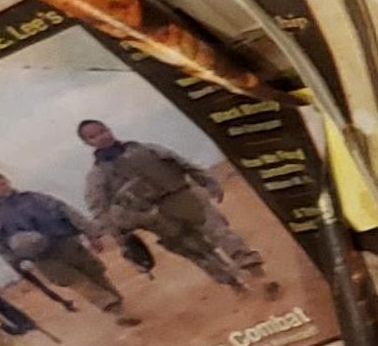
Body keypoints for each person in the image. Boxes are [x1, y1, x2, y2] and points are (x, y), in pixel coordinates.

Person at [76, 120, 271, 294]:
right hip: (156, 218)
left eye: (102, 131)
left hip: (183, 197)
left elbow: (181, 163)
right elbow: (98, 207)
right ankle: (235, 284)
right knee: (198, 252)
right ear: (87, 143)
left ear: (109, 129)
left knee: (220, 232)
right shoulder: (98, 175)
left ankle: (256, 271)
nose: (101, 137)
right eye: (93, 136)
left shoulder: (146, 149)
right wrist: (119, 235)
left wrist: (208, 182)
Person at [0, 172, 125, 319]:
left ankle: (117, 302)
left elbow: (67, 212)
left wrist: (91, 234)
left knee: (94, 272)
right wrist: (17, 265)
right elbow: (1, 244)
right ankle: (111, 307)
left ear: (7, 181)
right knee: (77, 281)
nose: (1, 188)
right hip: (43, 258)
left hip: (66, 243)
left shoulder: (36, 198)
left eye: (2, 184)